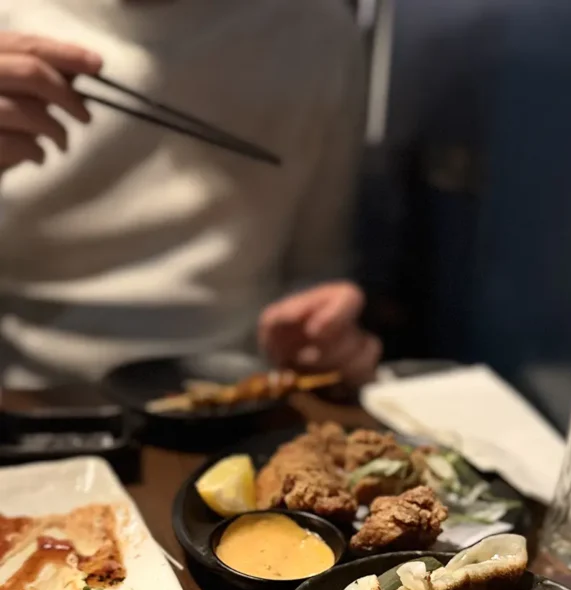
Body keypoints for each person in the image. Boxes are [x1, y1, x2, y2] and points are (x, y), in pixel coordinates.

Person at [0, 4, 381, 389]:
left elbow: (316, 268)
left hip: (241, 393)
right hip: (25, 398)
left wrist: (323, 334)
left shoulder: (317, 30)